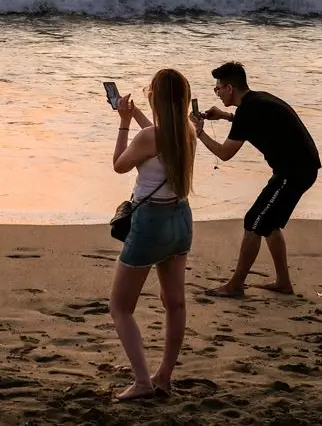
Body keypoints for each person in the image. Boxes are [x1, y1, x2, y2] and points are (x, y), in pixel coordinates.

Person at [191, 62, 320, 298]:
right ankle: (283, 282)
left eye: (218, 88)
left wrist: (199, 132)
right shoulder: (257, 101)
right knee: (269, 224)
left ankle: (236, 285)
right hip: (300, 167)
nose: (217, 93)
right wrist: (225, 117)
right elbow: (251, 124)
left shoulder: (249, 110)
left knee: (254, 221)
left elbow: (225, 153)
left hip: (294, 171)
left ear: (230, 88)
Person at [109, 68, 196, 401]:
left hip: (151, 224)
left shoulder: (148, 137)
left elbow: (119, 164)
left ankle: (143, 381)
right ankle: (163, 376)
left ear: (155, 97)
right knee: (175, 304)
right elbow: (161, 138)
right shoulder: (187, 131)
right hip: (181, 220)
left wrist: (123, 122)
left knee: (120, 308)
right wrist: (137, 114)